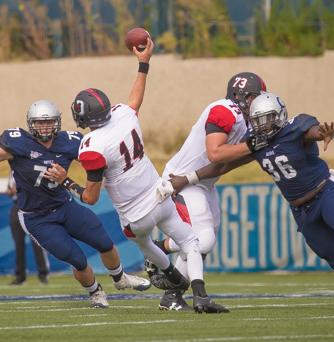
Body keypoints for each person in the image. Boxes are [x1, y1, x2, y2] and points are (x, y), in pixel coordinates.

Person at [167, 92, 334, 309]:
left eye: (268, 119)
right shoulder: (255, 142)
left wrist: (325, 134)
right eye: (258, 120)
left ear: (280, 115)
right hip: (300, 208)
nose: (263, 126)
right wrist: (188, 178)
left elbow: (314, 131)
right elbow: (222, 167)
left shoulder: (296, 127)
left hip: (325, 190)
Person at [44, 38, 228, 314]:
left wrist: (66, 181)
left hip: (135, 216)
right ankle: (200, 296)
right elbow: (135, 98)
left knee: (143, 242)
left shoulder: (91, 146)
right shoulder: (124, 116)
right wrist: (143, 63)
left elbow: (91, 198)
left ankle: (171, 276)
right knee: (191, 243)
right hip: (160, 195)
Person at [0, 99, 151, 308]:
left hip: (64, 205)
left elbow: (97, 156)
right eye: (39, 123)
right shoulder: (17, 142)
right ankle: (95, 292)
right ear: (30, 124)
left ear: (58, 122)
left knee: (104, 242)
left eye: (49, 122)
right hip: (36, 217)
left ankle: (120, 278)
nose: (45, 127)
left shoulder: (70, 141)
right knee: (77, 259)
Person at [149, 72, 266, 311]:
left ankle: (172, 296)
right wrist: (253, 146)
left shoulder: (245, 121)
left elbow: (227, 163)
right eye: (255, 97)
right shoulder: (224, 110)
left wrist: (254, 151)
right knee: (202, 240)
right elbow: (216, 154)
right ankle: (160, 252)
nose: (258, 103)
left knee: (203, 240)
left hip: (200, 182)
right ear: (240, 97)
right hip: (180, 180)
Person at [6, 174, 50, 285]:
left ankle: (43, 274)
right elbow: (10, 192)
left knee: (37, 242)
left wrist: (20, 188)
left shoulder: (24, 166)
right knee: (18, 244)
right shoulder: (11, 172)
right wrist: (11, 191)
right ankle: (20, 276)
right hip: (16, 207)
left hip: (30, 207)